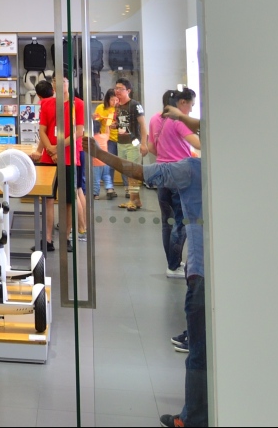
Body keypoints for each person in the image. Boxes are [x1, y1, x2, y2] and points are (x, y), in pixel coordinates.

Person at [87, 138, 206, 427]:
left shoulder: (192, 169)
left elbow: (140, 172)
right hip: (235, 275)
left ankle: (192, 420)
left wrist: (99, 153)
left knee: (199, 355)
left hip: (202, 274)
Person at [147, 90, 201, 279]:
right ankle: (173, 265)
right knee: (181, 221)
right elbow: (198, 144)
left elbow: (151, 147)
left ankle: (172, 262)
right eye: (191, 104)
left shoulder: (155, 119)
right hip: (179, 173)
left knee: (167, 222)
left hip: (161, 172)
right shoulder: (179, 121)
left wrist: (166, 154)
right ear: (181, 103)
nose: (191, 109)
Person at [35, 78, 88, 252]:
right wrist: (49, 150)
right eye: (56, 81)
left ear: (69, 83)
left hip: (69, 157)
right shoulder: (46, 103)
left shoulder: (78, 104)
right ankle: (47, 239)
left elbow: (78, 131)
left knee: (68, 201)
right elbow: (42, 129)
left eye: (64, 81)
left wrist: (56, 148)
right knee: (48, 200)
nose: (59, 84)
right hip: (48, 158)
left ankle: (66, 238)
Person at [112, 79, 146, 210]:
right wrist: (115, 125)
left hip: (133, 143)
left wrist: (144, 144)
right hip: (121, 142)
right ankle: (135, 200)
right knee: (127, 172)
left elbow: (143, 125)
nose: (117, 91)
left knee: (132, 173)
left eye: (121, 89)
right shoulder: (118, 105)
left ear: (128, 91)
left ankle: (134, 200)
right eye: (116, 88)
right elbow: (123, 123)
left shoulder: (135, 105)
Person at [92, 94, 117, 199]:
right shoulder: (104, 137)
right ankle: (110, 189)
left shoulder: (91, 139)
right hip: (105, 162)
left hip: (96, 163)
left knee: (96, 179)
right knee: (107, 176)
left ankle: (96, 194)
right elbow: (107, 129)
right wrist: (108, 123)